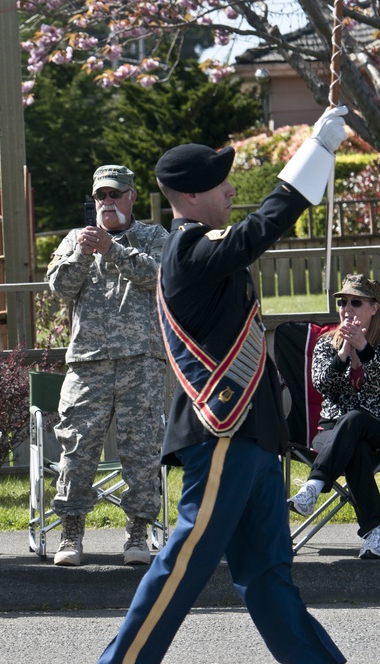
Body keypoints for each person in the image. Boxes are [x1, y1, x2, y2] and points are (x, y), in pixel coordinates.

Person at [98, 106, 350, 663]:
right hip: (222, 435)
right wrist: (317, 151)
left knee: (267, 576)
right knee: (184, 563)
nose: (232, 188)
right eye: (220, 182)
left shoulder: (204, 248)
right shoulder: (187, 250)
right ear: (189, 198)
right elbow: (264, 226)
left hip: (254, 436)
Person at [46, 165, 168, 567]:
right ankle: (71, 533)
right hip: (88, 363)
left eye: (115, 194)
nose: (107, 202)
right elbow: (60, 288)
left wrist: (111, 249)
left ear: (132, 196)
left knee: (142, 450)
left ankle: (137, 533)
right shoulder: (74, 241)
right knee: (76, 450)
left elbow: (158, 276)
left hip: (141, 361)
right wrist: (84, 251)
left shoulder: (153, 236)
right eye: (101, 196)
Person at [287, 274, 380, 559]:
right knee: (356, 447)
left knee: (355, 419)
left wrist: (364, 351)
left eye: (356, 302)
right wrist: (342, 355)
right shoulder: (326, 343)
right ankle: (375, 532)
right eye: (342, 303)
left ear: (374, 307)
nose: (347, 309)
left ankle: (314, 485)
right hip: (333, 431)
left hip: (376, 425)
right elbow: (322, 385)